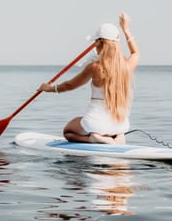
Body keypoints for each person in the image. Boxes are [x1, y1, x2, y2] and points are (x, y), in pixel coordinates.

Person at [38, 12, 140, 144]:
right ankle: (117, 137)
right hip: (121, 124)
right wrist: (126, 29)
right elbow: (135, 52)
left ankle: (93, 138)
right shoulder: (128, 65)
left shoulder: (95, 67)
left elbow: (70, 85)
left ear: (99, 43)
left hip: (95, 124)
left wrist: (49, 88)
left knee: (68, 132)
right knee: (111, 127)